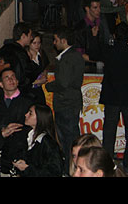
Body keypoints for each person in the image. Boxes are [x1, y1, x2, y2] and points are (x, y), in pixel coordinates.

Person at [87, 21, 128, 174]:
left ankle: (107, 164)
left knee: (109, 133)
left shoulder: (109, 50)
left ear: (113, 36)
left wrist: (94, 37)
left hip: (112, 97)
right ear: (127, 36)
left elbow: (92, 54)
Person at [44, 26, 84, 171]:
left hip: (65, 103)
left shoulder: (68, 58)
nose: (54, 43)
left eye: (56, 40)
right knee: (71, 138)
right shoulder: (75, 55)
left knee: (68, 140)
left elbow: (63, 82)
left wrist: (49, 86)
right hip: (71, 102)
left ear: (63, 40)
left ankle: (70, 169)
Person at [10, 104, 65, 177]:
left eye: (30, 113)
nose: (26, 115)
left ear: (40, 118)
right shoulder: (28, 136)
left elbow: (55, 171)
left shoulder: (47, 142)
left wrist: (27, 168)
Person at [26, 31, 49, 104]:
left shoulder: (41, 55)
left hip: (39, 90)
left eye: (39, 43)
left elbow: (45, 66)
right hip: (29, 91)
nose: (37, 45)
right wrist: (38, 81)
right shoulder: (26, 57)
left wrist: (44, 75)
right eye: (34, 43)